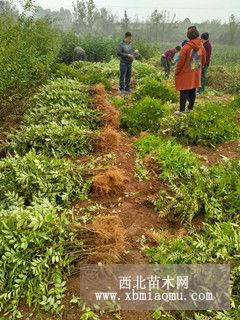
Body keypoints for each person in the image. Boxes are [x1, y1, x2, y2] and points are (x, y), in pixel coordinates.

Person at [174, 28, 206, 115]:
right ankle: (190, 108)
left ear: (189, 36)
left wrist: (177, 71)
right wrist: (198, 68)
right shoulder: (201, 46)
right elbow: (204, 60)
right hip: (195, 71)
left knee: (183, 91)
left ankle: (181, 110)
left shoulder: (186, 47)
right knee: (193, 90)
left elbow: (180, 62)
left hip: (186, 72)